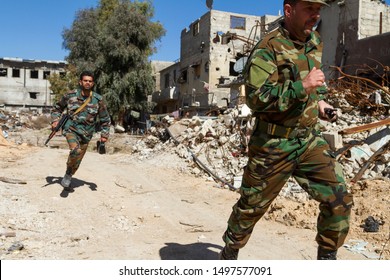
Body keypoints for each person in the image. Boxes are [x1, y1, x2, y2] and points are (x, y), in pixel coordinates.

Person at [220, 0, 353, 260]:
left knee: (339, 199)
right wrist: (301, 87)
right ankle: (230, 253)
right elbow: (256, 99)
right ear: (289, 10)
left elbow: (314, 87)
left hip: (307, 142)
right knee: (250, 209)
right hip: (272, 143)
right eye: (309, 9)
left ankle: (327, 259)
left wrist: (321, 103)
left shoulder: (314, 41)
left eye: (318, 10)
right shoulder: (268, 48)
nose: (315, 16)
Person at [50, 70, 111, 191]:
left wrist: (104, 135)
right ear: (80, 82)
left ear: (93, 83)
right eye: (85, 80)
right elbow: (56, 109)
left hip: (87, 134)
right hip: (71, 129)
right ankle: (67, 177)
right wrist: (55, 121)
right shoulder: (70, 95)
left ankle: (68, 174)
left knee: (77, 160)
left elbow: (105, 119)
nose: (87, 83)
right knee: (75, 150)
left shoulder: (98, 100)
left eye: (90, 81)